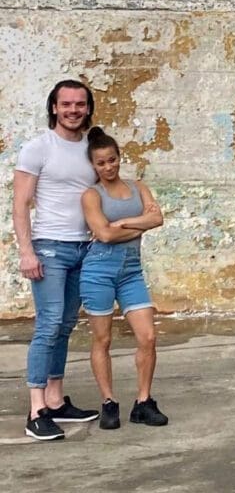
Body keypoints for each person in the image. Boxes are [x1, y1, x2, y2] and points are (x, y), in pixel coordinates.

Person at [14, 80, 101, 440]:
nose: (73, 110)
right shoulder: (38, 148)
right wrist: (26, 251)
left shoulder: (92, 148)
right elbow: (20, 203)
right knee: (48, 325)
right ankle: (36, 409)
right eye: (66, 104)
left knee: (65, 326)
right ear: (54, 107)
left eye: (79, 104)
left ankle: (55, 398)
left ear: (87, 108)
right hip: (49, 246)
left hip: (84, 247)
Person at [79, 127, 168, 429]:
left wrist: (125, 222)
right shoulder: (92, 195)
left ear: (119, 158)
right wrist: (139, 225)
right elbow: (103, 234)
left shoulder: (137, 186)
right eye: (101, 163)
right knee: (103, 339)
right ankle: (108, 402)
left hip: (131, 272)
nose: (108, 167)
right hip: (98, 272)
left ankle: (143, 401)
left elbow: (158, 217)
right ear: (93, 165)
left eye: (112, 160)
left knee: (148, 337)